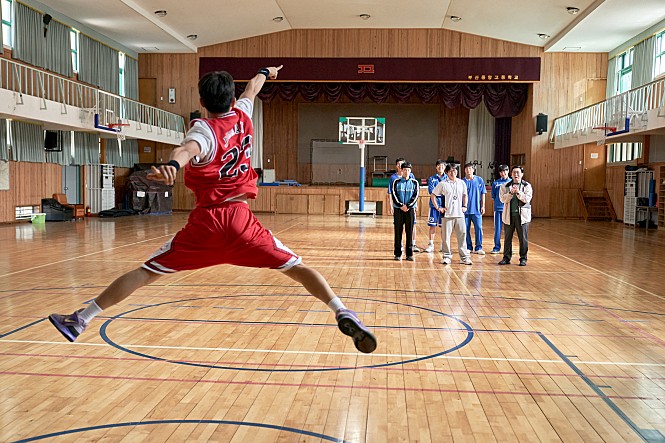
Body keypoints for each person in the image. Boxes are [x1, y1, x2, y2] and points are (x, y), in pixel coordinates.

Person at [48, 66, 377, 354]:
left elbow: (188, 149)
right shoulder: (243, 114)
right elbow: (252, 88)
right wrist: (267, 72)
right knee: (298, 268)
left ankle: (81, 319)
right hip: (241, 220)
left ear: (202, 102)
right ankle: (341, 310)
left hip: (206, 223)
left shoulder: (203, 129)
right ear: (231, 100)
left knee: (146, 273)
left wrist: (174, 165)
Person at [430, 163, 472, 265]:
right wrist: (438, 207)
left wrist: (465, 206)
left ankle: (464, 257)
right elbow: (433, 195)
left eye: (454, 170)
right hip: (447, 215)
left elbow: (465, 195)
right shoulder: (443, 183)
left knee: (462, 236)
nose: (453, 173)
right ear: (447, 173)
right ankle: (447, 256)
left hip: (460, 215)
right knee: (446, 237)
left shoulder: (462, 183)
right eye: (450, 171)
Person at [498, 165, 533, 267]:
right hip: (509, 215)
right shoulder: (505, 186)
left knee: (523, 238)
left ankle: (523, 258)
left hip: (522, 217)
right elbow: (502, 199)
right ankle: (506, 257)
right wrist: (510, 193)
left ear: (522, 174)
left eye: (518, 172)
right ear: (511, 174)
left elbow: (526, 199)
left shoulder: (527, 186)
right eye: (514, 172)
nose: (516, 174)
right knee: (507, 238)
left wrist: (518, 193)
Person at [386, 157, 420, 252]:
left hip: (410, 210)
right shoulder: (396, 182)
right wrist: (401, 205)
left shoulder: (414, 182)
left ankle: (409, 253)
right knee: (398, 231)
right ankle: (397, 253)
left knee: (409, 231)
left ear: (410, 171)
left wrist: (408, 206)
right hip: (398, 210)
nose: (406, 172)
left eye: (408, 170)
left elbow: (416, 195)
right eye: (404, 170)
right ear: (401, 170)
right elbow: (394, 194)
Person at [462, 162, 486, 255]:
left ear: (473, 170)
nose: (469, 170)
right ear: (464, 170)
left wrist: (483, 206)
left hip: (477, 210)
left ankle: (478, 247)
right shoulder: (462, 181)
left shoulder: (479, 180)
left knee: (478, 228)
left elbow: (482, 193)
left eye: (470, 168)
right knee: (465, 229)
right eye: (467, 169)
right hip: (465, 210)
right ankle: (468, 247)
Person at [425, 159, 446, 253]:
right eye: (439, 166)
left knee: (444, 227)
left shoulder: (448, 179)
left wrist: (439, 193)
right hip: (434, 206)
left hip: (445, 207)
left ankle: (443, 245)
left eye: (442, 166)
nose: (440, 167)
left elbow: (448, 192)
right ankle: (431, 244)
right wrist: (440, 193)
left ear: (445, 167)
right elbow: (431, 191)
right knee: (432, 226)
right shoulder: (432, 178)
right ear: (436, 167)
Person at [490, 164, 511, 254]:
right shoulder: (495, 183)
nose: (503, 173)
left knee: (509, 229)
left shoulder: (512, 182)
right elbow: (494, 196)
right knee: (497, 229)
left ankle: (509, 248)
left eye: (505, 171)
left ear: (508, 171)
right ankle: (497, 247)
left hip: (508, 209)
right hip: (498, 209)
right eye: (501, 171)